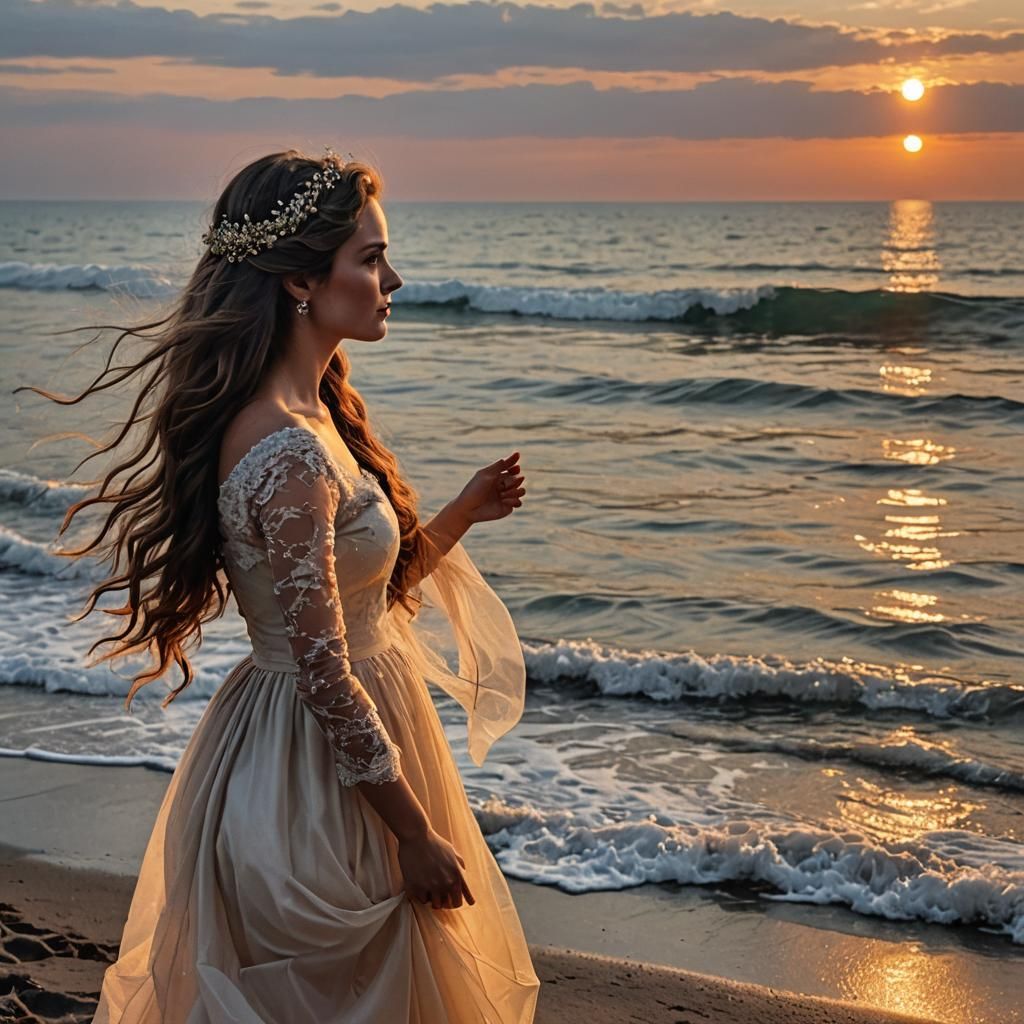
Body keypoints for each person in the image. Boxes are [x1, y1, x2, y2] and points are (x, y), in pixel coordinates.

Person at [20, 146, 540, 1022]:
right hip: (313, 776)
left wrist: (462, 512)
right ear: (301, 280)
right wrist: (413, 832)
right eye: (370, 259)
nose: (393, 281)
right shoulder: (287, 450)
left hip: (342, 740)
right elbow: (323, 669)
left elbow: (371, 596)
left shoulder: (317, 415)